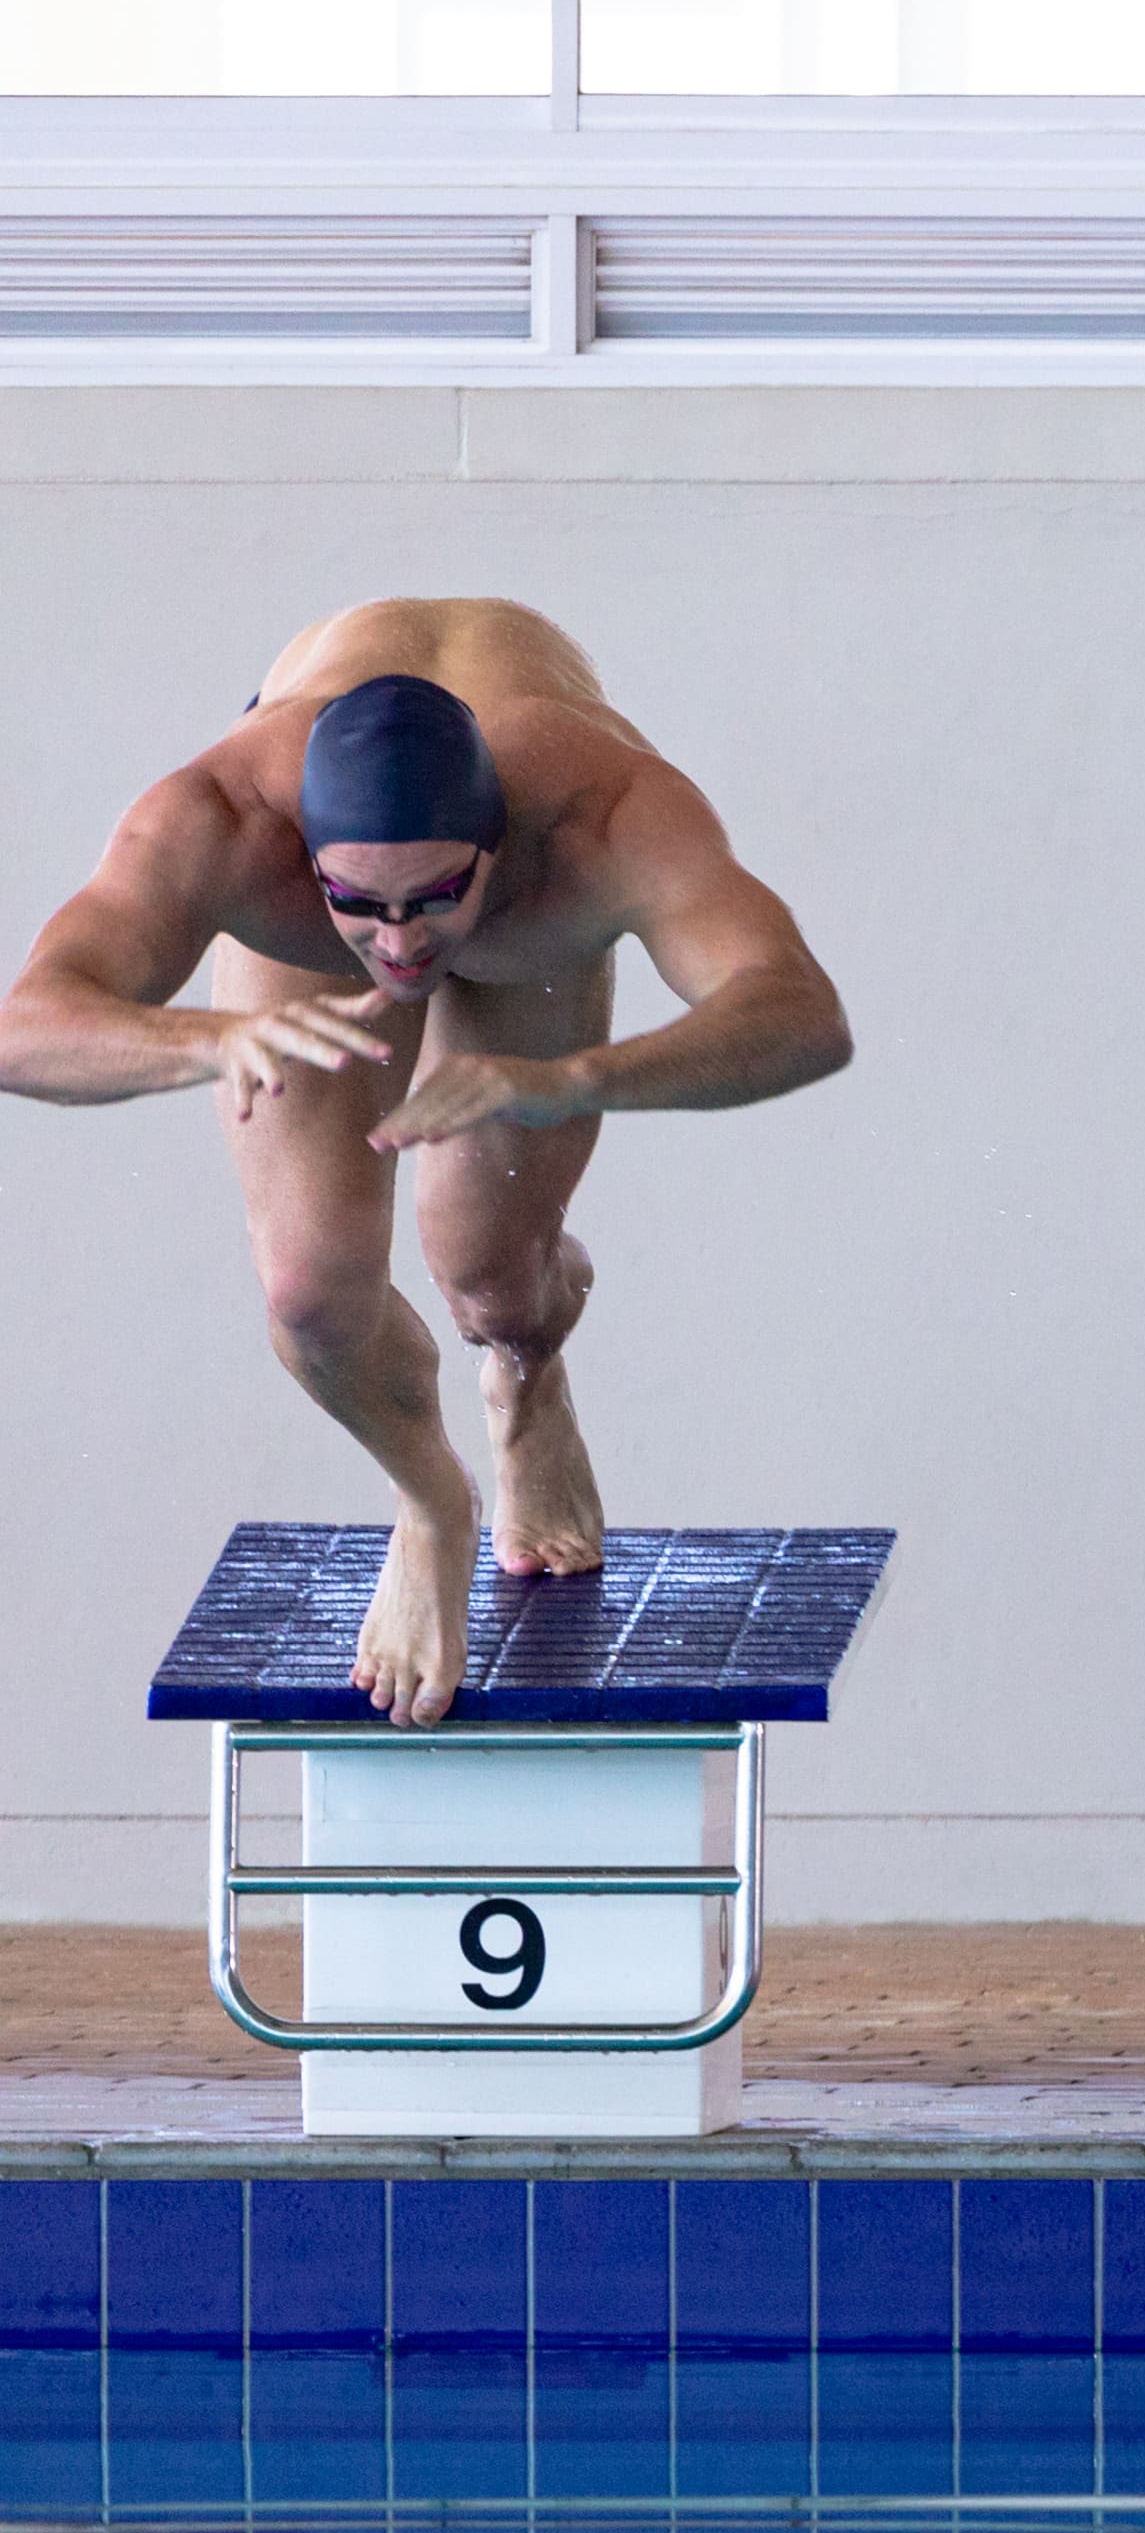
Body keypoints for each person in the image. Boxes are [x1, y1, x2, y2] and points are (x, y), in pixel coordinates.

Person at [0, 601, 849, 1725]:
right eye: (359, 904)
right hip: (315, 922)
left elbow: (802, 1014)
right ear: (306, 856)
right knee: (310, 1284)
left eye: (434, 898)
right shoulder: (222, 821)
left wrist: (577, 1079)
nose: (399, 945)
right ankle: (432, 1500)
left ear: (496, 851)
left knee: (491, 1276)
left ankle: (527, 1369)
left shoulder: (603, 822)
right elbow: (26, 1026)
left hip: (535, 914)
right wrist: (208, 1040)